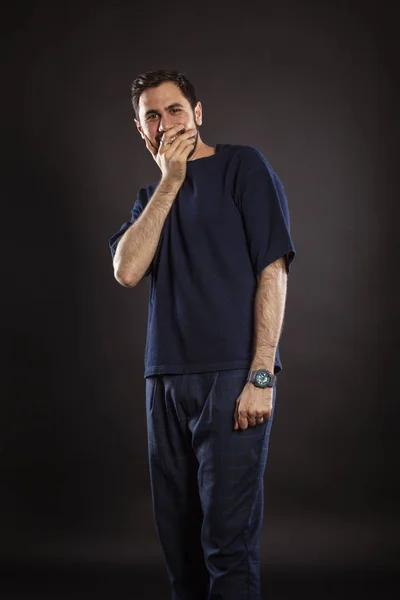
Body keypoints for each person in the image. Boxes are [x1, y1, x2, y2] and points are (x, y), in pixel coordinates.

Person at [109, 69, 296, 600]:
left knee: (226, 548)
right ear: (141, 131)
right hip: (163, 384)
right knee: (181, 553)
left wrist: (262, 373)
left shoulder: (244, 167)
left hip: (231, 380)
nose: (164, 122)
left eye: (173, 109)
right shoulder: (151, 197)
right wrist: (169, 182)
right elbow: (126, 269)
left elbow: (273, 270)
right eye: (151, 115)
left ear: (197, 113)